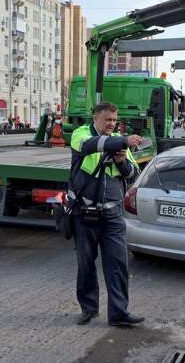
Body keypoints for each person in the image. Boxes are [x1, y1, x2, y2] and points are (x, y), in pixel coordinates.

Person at [69, 102, 145, 327]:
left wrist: (123, 163)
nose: (112, 124)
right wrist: (122, 141)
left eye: (114, 120)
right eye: (107, 120)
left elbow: (133, 173)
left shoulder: (120, 142)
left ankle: (119, 313)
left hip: (112, 216)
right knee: (86, 264)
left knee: (118, 265)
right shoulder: (81, 134)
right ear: (95, 118)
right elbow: (89, 145)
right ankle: (89, 309)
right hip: (85, 213)